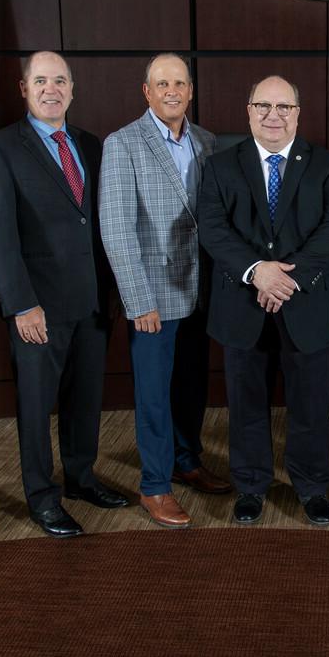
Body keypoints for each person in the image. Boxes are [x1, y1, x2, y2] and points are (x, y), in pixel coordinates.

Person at [0, 51, 128, 538]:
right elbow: (0, 237)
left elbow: (98, 223)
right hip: (36, 307)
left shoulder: (90, 144)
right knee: (37, 406)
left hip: (90, 301)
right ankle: (42, 496)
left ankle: (81, 477)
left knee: (85, 400)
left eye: (60, 80)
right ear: (23, 89)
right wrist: (20, 303)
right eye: (40, 80)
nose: (51, 89)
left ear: (72, 89)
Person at [198, 75, 329, 526]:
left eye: (284, 107)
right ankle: (250, 486)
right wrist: (256, 272)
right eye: (263, 106)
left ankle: (310, 487)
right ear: (248, 111)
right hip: (241, 304)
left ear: (298, 114)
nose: (273, 116)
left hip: (306, 305)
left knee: (310, 405)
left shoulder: (327, 165)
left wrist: (288, 280)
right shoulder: (220, 165)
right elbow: (213, 228)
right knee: (245, 403)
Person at [99, 53, 230, 530]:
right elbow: (116, 229)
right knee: (154, 394)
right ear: (147, 92)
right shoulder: (123, 144)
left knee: (191, 384)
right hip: (153, 297)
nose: (172, 90)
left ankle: (186, 459)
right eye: (162, 83)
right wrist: (138, 300)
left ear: (191, 91)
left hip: (199, 292)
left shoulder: (207, 142)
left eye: (180, 83)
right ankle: (155, 485)